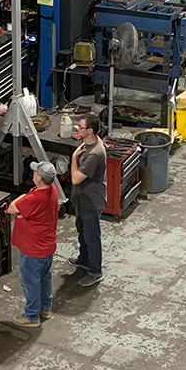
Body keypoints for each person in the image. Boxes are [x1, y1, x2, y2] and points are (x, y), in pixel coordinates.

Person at [8, 160, 60, 327]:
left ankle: (31, 316)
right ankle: (45, 308)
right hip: (47, 246)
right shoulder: (53, 189)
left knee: (31, 282)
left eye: (36, 172)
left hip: (33, 249)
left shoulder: (34, 198)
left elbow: (11, 208)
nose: (33, 174)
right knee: (45, 278)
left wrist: (22, 203)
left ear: (39, 178)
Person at [68, 114, 108, 287]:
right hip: (82, 198)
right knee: (82, 231)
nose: (77, 129)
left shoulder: (95, 153)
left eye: (81, 127)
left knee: (91, 237)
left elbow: (76, 178)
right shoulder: (89, 143)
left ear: (90, 131)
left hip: (91, 201)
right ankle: (84, 259)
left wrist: (73, 158)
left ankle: (95, 271)